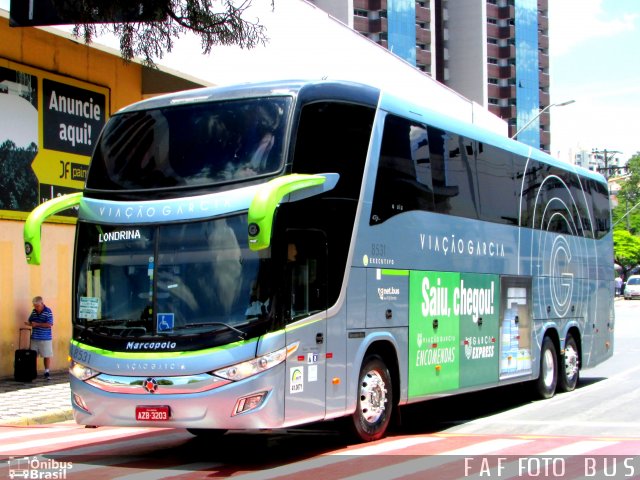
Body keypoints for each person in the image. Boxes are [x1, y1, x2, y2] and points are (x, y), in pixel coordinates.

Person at [24, 296, 54, 380]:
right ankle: (33, 371)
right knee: (33, 356)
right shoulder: (34, 312)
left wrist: (37, 324)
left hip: (45, 338)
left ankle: (47, 372)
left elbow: (49, 324)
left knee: (46, 355)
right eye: (34, 306)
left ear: (42, 304)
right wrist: (29, 323)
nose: (36, 308)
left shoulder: (48, 311)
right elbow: (30, 320)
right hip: (35, 337)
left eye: (37, 306)